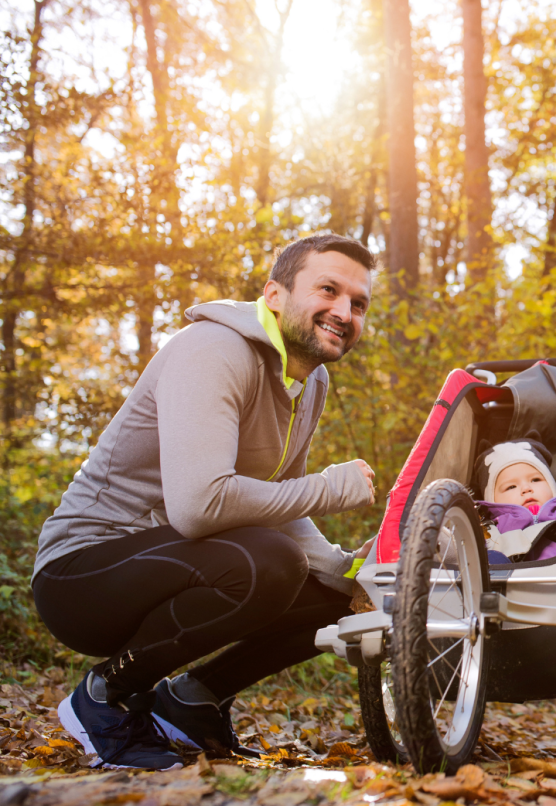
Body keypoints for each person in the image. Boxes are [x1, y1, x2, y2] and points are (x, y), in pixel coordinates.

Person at [32, 234, 380, 771]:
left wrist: (347, 570)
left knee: (339, 595)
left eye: (358, 304)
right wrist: (332, 486)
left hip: (177, 564)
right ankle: (106, 694)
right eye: (328, 290)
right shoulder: (214, 350)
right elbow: (198, 505)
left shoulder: (310, 381)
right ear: (274, 295)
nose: (343, 312)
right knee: (269, 561)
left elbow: (280, 503)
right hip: (81, 574)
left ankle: (192, 700)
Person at [473, 438, 556, 563]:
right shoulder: (489, 533)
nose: (526, 488)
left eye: (535, 480)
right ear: (493, 501)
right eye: (511, 487)